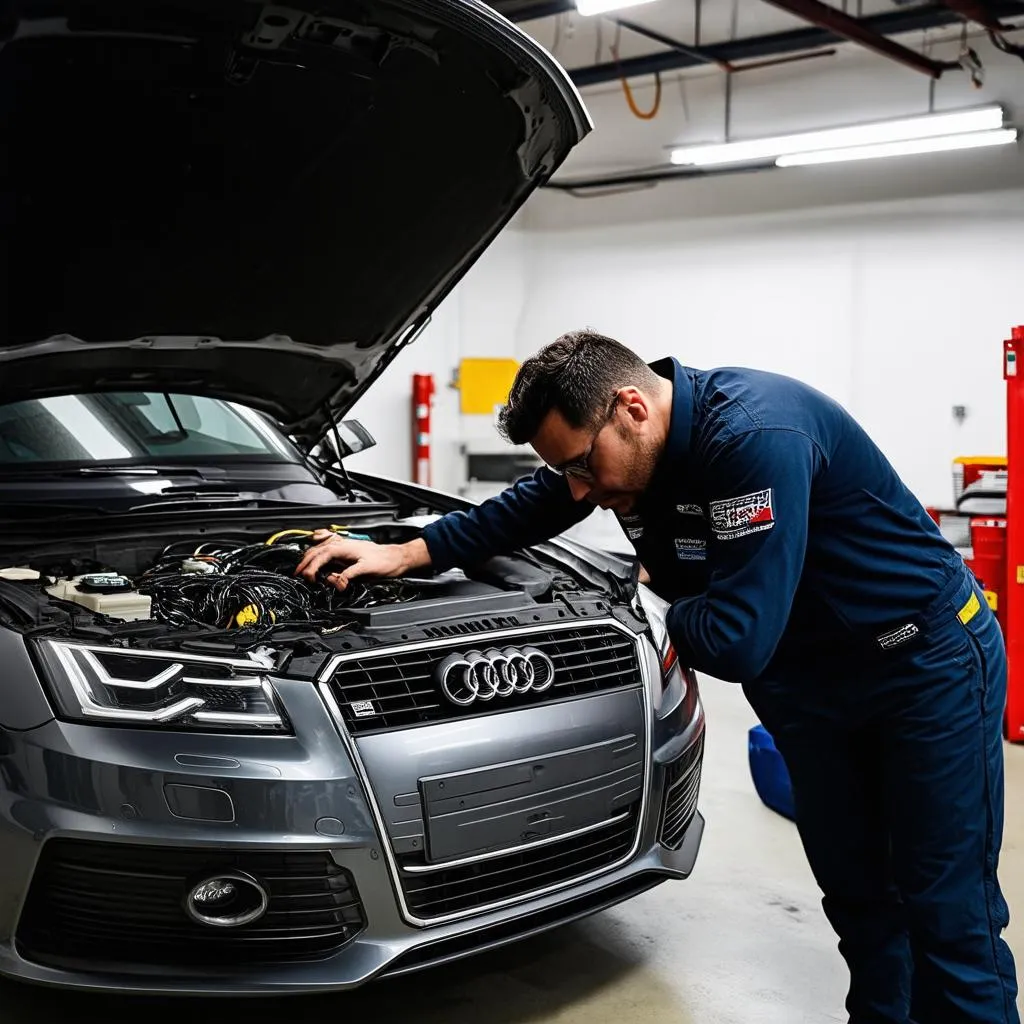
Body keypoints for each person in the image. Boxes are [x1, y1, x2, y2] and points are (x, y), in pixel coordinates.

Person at [296, 329, 1019, 1024]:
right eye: (565, 471)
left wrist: (647, 597)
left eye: (582, 465)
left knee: (947, 908)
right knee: (861, 899)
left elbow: (735, 643)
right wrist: (410, 551)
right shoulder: (615, 453)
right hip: (810, 685)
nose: (578, 491)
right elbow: (527, 508)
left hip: (924, 667)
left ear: (632, 409)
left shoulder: (754, 438)